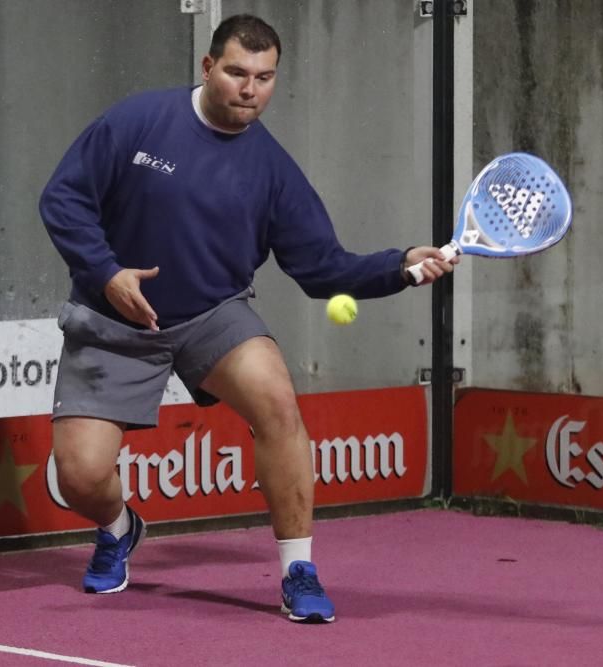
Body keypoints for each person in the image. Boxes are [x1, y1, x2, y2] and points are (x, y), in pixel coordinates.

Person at [39, 14, 457, 624]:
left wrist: (400, 266)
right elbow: (63, 198)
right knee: (79, 475)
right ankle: (118, 528)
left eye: (264, 78)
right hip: (115, 318)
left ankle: (298, 569)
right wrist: (107, 272)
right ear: (208, 68)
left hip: (214, 314)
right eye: (236, 72)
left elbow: (322, 267)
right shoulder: (138, 121)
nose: (249, 88)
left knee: (278, 402)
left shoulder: (272, 169)